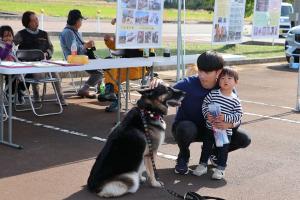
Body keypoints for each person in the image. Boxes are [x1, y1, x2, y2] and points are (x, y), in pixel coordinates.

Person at [151, 51, 251, 175]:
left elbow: (237, 115)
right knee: (186, 128)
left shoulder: (226, 87)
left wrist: (229, 125)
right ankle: (183, 155)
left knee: (244, 138)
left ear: (218, 72)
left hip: (212, 130)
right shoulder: (188, 84)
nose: (202, 76)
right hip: (189, 129)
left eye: (207, 72)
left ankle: (214, 152)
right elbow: (168, 90)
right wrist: (159, 82)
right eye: (200, 71)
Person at [193, 67, 243, 180]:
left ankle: (220, 169)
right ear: (218, 80)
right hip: (210, 128)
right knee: (206, 147)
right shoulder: (213, 94)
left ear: (236, 82)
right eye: (222, 78)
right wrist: (207, 115)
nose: (225, 80)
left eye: (229, 78)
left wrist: (226, 118)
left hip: (225, 131)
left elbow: (238, 115)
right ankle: (202, 165)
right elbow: (205, 105)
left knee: (223, 150)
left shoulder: (235, 100)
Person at [13, 11, 67, 105]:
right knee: (34, 69)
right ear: (28, 23)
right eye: (33, 20)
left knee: (54, 70)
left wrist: (47, 53)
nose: (36, 22)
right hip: (27, 67)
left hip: (44, 63)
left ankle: (60, 98)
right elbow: (11, 45)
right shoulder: (21, 34)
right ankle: (35, 95)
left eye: (36, 19)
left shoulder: (44, 34)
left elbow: (51, 48)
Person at [60, 9, 103, 99]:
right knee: (99, 72)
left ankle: (99, 87)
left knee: (100, 64)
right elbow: (75, 51)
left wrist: (87, 44)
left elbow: (79, 46)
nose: (81, 22)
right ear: (76, 21)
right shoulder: (68, 32)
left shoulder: (73, 31)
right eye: (81, 20)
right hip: (73, 59)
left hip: (79, 58)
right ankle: (85, 89)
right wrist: (86, 45)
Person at [0, 25, 25, 104]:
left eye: (10, 36)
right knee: (11, 77)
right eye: (5, 36)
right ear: (1, 37)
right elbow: (2, 56)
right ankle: (10, 94)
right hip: (4, 68)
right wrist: (7, 47)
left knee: (24, 74)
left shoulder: (13, 45)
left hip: (13, 66)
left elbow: (15, 56)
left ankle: (20, 90)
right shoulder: (1, 45)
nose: (8, 38)